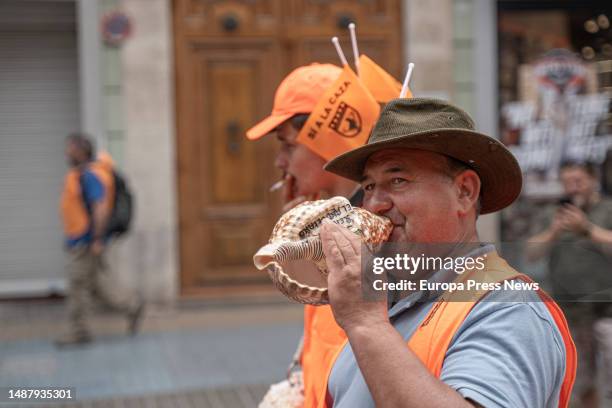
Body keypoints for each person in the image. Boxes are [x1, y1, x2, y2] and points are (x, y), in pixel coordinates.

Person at [315, 98, 576, 407]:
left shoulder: (509, 309)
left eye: (397, 180)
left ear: (464, 192)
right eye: (369, 187)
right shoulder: (391, 297)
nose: (374, 205)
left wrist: (365, 323)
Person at [247, 63, 376, 407]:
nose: (279, 162)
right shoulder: (326, 224)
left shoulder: (374, 237)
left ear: (328, 139)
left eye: (288, 146)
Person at [527, 161, 612, 407]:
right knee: (581, 382)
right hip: (572, 311)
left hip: (607, 310)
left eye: (578, 182)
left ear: (593, 180)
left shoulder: (607, 209)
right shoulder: (553, 213)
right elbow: (531, 253)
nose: (572, 188)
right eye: (567, 183)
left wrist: (587, 229)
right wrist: (554, 231)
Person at [56, 133, 144, 346]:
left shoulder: (90, 175)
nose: (67, 152)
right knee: (97, 287)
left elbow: (101, 208)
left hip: (85, 242)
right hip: (82, 241)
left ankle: (78, 332)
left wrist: (96, 239)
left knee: (78, 286)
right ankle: (131, 305)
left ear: (81, 150)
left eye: (70, 148)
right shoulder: (83, 174)